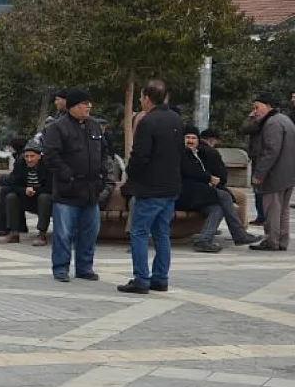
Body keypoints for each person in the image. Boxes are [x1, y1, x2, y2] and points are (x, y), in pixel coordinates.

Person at [117, 81, 183, 294]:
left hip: (150, 188)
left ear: (147, 97)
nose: (140, 101)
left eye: (141, 97)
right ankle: (161, 278)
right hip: (170, 187)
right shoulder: (175, 119)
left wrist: (131, 174)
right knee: (162, 233)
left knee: (139, 232)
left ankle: (141, 279)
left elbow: (140, 155)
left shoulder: (148, 121)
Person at [43, 88, 110, 282]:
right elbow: (51, 156)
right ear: (72, 106)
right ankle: (61, 268)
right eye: (84, 104)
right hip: (68, 191)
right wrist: (68, 176)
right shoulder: (57, 127)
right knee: (64, 233)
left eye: (89, 104)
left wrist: (103, 173)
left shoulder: (94, 126)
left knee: (90, 232)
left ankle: (85, 268)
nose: (88, 107)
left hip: (91, 190)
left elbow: (104, 152)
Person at [175, 126, 261, 254]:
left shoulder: (197, 153)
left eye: (193, 138)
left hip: (197, 195)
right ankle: (239, 234)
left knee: (217, 208)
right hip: (185, 195)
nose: (190, 140)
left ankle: (204, 241)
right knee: (224, 196)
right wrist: (209, 178)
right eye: (187, 137)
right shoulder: (180, 153)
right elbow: (189, 171)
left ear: (198, 140)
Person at [247, 93, 295, 251]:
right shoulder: (285, 120)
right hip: (288, 174)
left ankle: (272, 241)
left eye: (257, 107)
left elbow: (271, 151)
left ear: (267, 106)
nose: (255, 111)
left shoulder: (272, 123)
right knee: (283, 210)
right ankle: (282, 241)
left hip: (275, 174)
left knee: (272, 209)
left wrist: (259, 174)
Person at [0, 141, 52, 246]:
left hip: (44, 199)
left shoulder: (47, 165)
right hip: (27, 197)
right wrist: (25, 190)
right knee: (11, 196)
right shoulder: (20, 163)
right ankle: (14, 233)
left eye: (32, 156)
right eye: (27, 156)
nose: (29, 159)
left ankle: (42, 234)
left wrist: (34, 190)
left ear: (39, 156)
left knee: (44, 198)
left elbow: (51, 188)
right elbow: (13, 183)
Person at [0, 137, 28, 237]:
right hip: (29, 188)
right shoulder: (23, 157)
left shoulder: (21, 159)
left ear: (12, 148)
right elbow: (16, 177)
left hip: (32, 191)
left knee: (6, 191)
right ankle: (20, 225)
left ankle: (1, 227)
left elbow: (14, 180)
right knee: (12, 192)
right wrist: (1, 177)